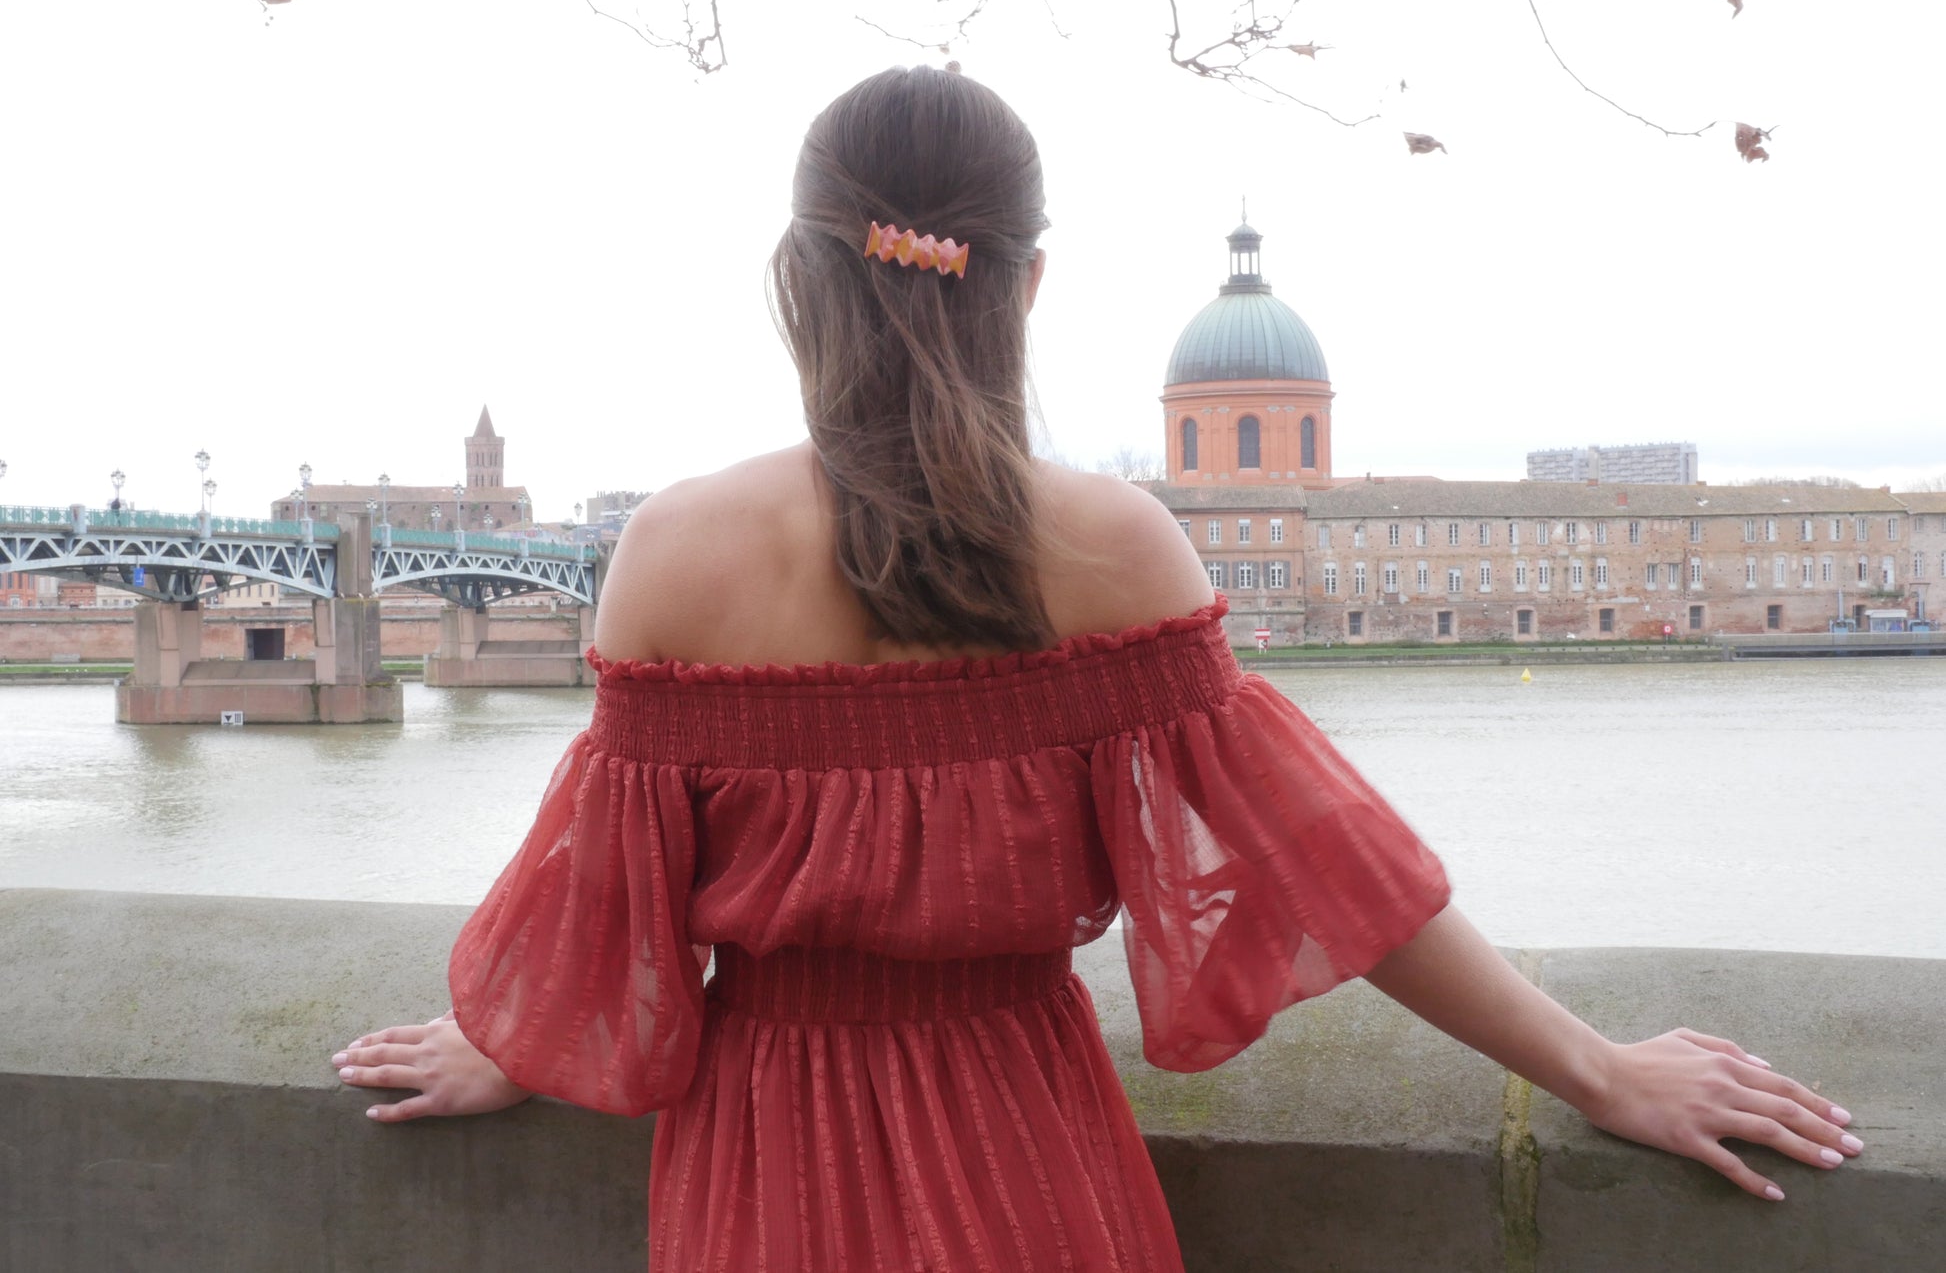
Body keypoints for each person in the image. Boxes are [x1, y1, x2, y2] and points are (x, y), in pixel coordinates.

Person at [332, 67, 1860, 1270]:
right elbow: (1334, 875)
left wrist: (504, 1044)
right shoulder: (1113, 548)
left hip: (763, 1156)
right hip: (1025, 1138)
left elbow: (608, 917)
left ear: (795, 278)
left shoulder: (673, 552)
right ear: (1030, 284)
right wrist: (1594, 1070)